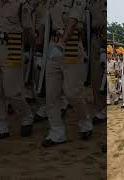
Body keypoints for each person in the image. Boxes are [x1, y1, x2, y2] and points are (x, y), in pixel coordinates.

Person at [43, 0, 93, 147]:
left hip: (70, 46)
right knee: (51, 93)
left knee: (72, 92)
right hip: (53, 45)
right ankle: (57, 131)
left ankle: (85, 121)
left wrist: (61, 45)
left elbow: (72, 22)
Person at [0, 0, 36, 139]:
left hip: (13, 45)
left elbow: (28, 30)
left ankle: (26, 116)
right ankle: (1, 124)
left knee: (12, 90)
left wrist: (33, 48)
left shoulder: (21, 4)